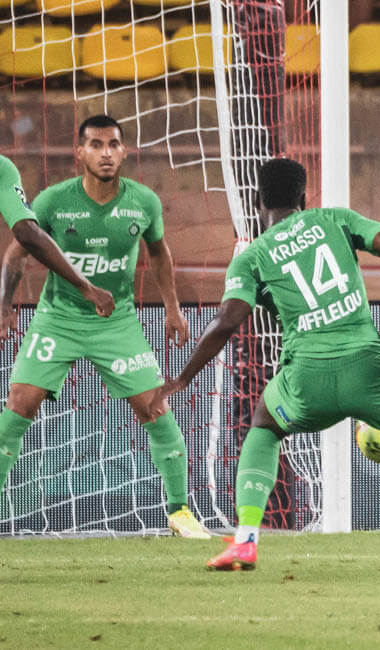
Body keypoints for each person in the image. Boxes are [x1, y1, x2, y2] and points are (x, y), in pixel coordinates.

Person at [149, 158, 380, 571]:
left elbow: (227, 321)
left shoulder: (252, 257)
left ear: (257, 201)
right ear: (304, 198)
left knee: (264, 423)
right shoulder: (335, 219)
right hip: (370, 373)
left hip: (307, 383)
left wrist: (183, 378)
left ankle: (245, 541)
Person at [0, 115, 209, 538]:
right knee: (20, 403)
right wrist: (6, 305)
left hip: (117, 322)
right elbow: (16, 253)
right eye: (95, 145)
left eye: (113, 144)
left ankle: (180, 512)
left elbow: (159, 253)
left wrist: (172, 308)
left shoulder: (144, 202)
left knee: (155, 408)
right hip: (58, 319)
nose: (106, 153)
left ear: (125, 151)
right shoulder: (53, 201)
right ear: (80, 153)